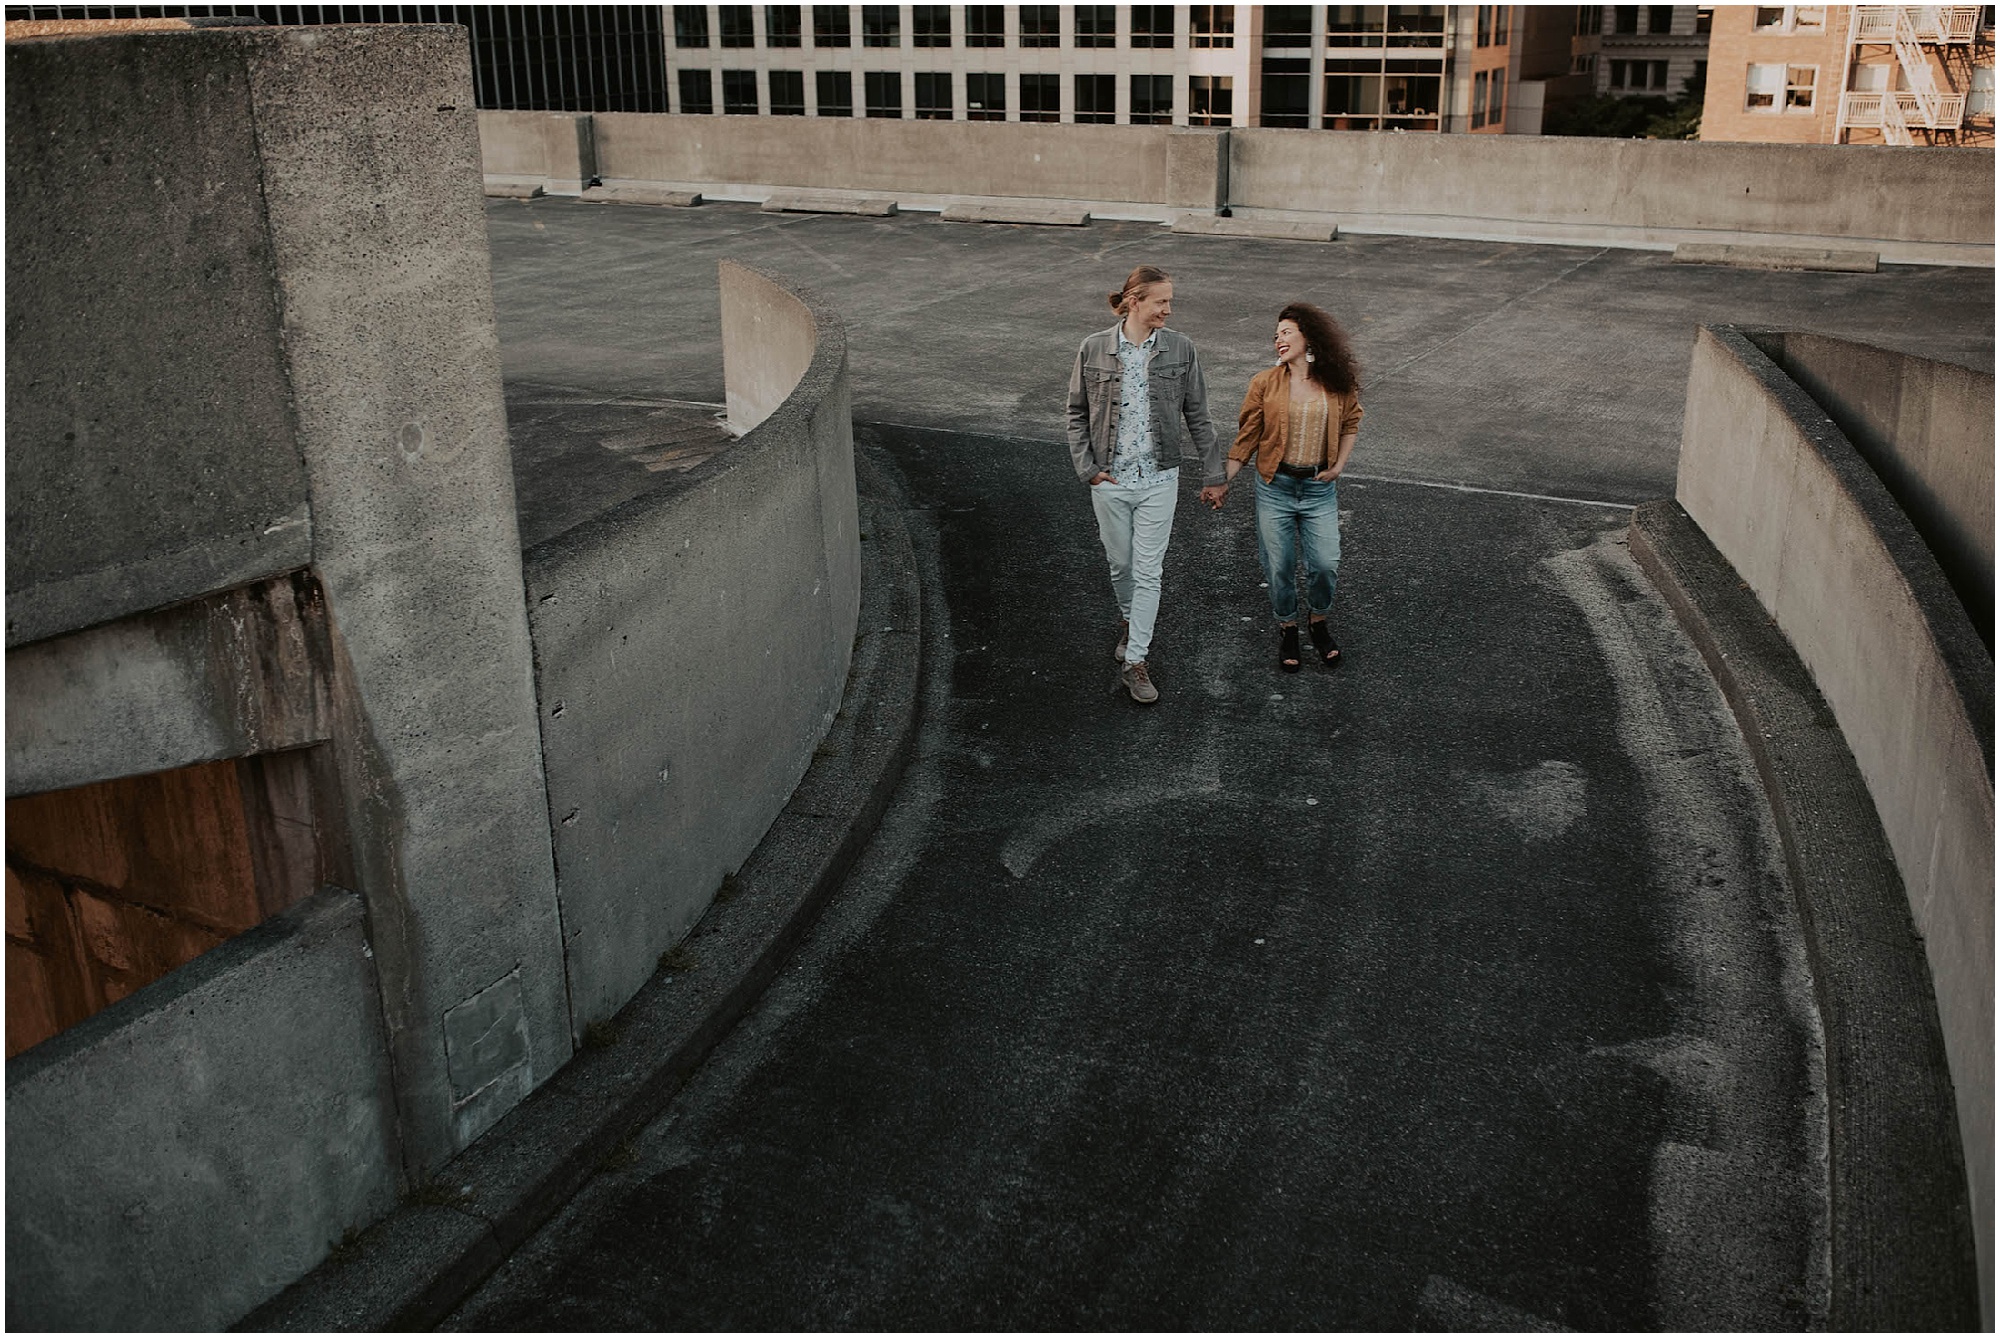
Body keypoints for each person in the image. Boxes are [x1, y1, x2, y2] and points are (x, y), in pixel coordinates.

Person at [1066, 265, 1228, 705]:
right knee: (1120, 565)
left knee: (1148, 571)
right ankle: (1129, 619)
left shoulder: (1181, 349)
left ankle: (1136, 659)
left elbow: (1198, 415)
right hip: (1110, 479)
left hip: (1160, 479)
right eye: (1161, 301)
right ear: (1134, 301)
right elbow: (1076, 413)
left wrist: (1214, 474)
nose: (1168, 309)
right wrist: (1088, 469)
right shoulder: (1093, 347)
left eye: (1170, 301)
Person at [1222, 303, 1363, 672]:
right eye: (1275, 335)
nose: (1278, 339)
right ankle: (1287, 627)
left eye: (1286, 332)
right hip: (1276, 488)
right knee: (1279, 567)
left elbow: (1351, 422)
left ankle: (1318, 621)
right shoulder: (1265, 382)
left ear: (1308, 336)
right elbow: (1246, 438)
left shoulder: (1336, 382)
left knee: (1325, 564)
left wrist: (1339, 466)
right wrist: (1222, 482)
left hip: (1318, 490)